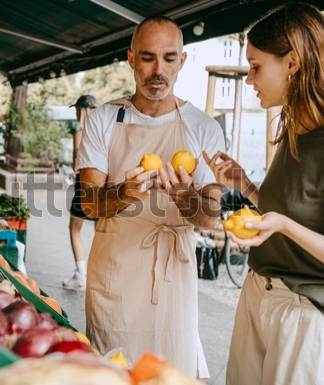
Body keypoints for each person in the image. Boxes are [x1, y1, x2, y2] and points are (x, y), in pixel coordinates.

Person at [203, 4, 324, 385]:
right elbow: (284, 213)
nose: (249, 77)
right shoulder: (294, 130)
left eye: (256, 66)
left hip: (313, 318)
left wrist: (284, 226)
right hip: (259, 295)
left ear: (292, 63)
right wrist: (246, 186)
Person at [76, 16, 225, 379]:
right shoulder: (102, 119)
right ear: (130, 59)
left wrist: (183, 194)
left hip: (173, 280)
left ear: (183, 61)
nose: (159, 70)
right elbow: (89, 203)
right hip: (115, 277)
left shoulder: (203, 127)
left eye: (169, 58)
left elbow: (210, 217)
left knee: (169, 374)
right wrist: (125, 192)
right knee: (112, 374)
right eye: (147, 58)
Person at [62, 95, 99, 291]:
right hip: (101, 185)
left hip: (84, 184)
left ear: (83, 111)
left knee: (74, 229)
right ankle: (97, 275)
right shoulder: (104, 132)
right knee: (99, 233)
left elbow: (77, 163)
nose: (76, 114)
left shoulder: (80, 131)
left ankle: (80, 275)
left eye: (77, 110)